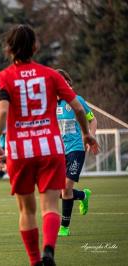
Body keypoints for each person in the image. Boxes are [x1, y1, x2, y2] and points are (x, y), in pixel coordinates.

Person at [0, 24, 99, 266]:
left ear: (8, 48)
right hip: (51, 148)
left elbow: (2, 109)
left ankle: (34, 261)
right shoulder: (52, 75)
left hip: (20, 150)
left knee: (27, 211)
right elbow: (79, 108)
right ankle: (49, 251)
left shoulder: (3, 78)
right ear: (35, 47)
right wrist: (86, 133)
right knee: (50, 205)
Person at [56, 69, 97, 237]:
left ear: (68, 83)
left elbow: (92, 119)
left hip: (76, 149)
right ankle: (82, 195)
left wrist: (90, 137)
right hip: (58, 152)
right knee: (55, 192)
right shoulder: (51, 104)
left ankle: (64, 227)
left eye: (63, 82)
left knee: (66, 189)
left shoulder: (77, 100)